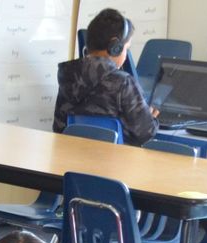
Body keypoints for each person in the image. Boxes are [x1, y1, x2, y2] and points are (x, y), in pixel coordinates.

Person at [53, 7, 157, 145]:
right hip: (113, 164)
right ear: (116, 47)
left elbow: (59, 129)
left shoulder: (68, 76)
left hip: (72, 162)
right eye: (126, 48)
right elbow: (146, 133)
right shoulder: (123, 83)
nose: (126, 55)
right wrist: (150, 118)